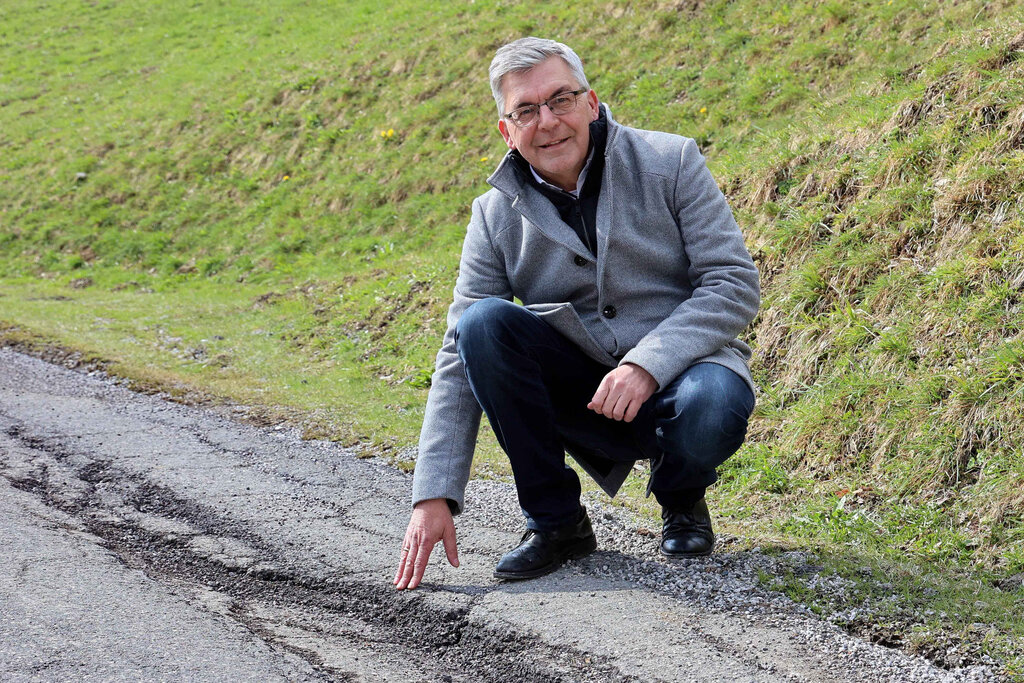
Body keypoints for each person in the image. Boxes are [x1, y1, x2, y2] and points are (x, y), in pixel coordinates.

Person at [393, 37, 759, 590]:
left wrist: (647, 364)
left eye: (560, 100)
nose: (548, 122)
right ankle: (557, 523)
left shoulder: (673, 160)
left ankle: (682, 498)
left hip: (684, 375)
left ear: (590, 101)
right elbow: (457, 354)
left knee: (712, 404)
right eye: (526, 110)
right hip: (580, 395)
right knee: (481, 324)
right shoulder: (493, 216)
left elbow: (731, 283)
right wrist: (434, 493)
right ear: (506, 130)